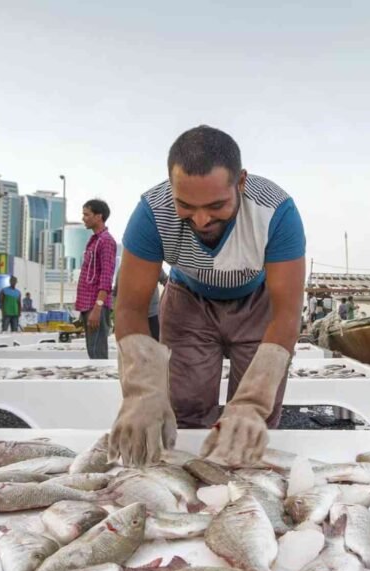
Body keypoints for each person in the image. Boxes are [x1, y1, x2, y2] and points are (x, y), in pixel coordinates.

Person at [109, 125, 305, 466]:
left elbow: (287, 313)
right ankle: (190, 479)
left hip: (258, 304)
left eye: (216, 205)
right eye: (186, 205)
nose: (201, 219)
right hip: (188, 302)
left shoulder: (276, 211)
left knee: (253, 417)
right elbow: (129, 308)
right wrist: (141, 389)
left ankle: (245, 482)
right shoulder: (151, 213)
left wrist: (252, 403)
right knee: (186, 403)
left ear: (240, 183)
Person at [76, 199, 117, 360]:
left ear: (99, 216)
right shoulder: (94, 241)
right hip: (89, 306)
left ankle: (100, 385)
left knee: (97, 355)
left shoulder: (106, 241)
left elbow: (106, 279)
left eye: (87, 214)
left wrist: (97, 308)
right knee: (92, 352)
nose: (83, 218)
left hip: (96, 306)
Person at [146, 268, 167, 341]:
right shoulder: (127, 268)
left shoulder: (153, 263)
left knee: (157, 343)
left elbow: (166, 281)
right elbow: (116, 291)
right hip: (136, 316)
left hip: (154, 313)